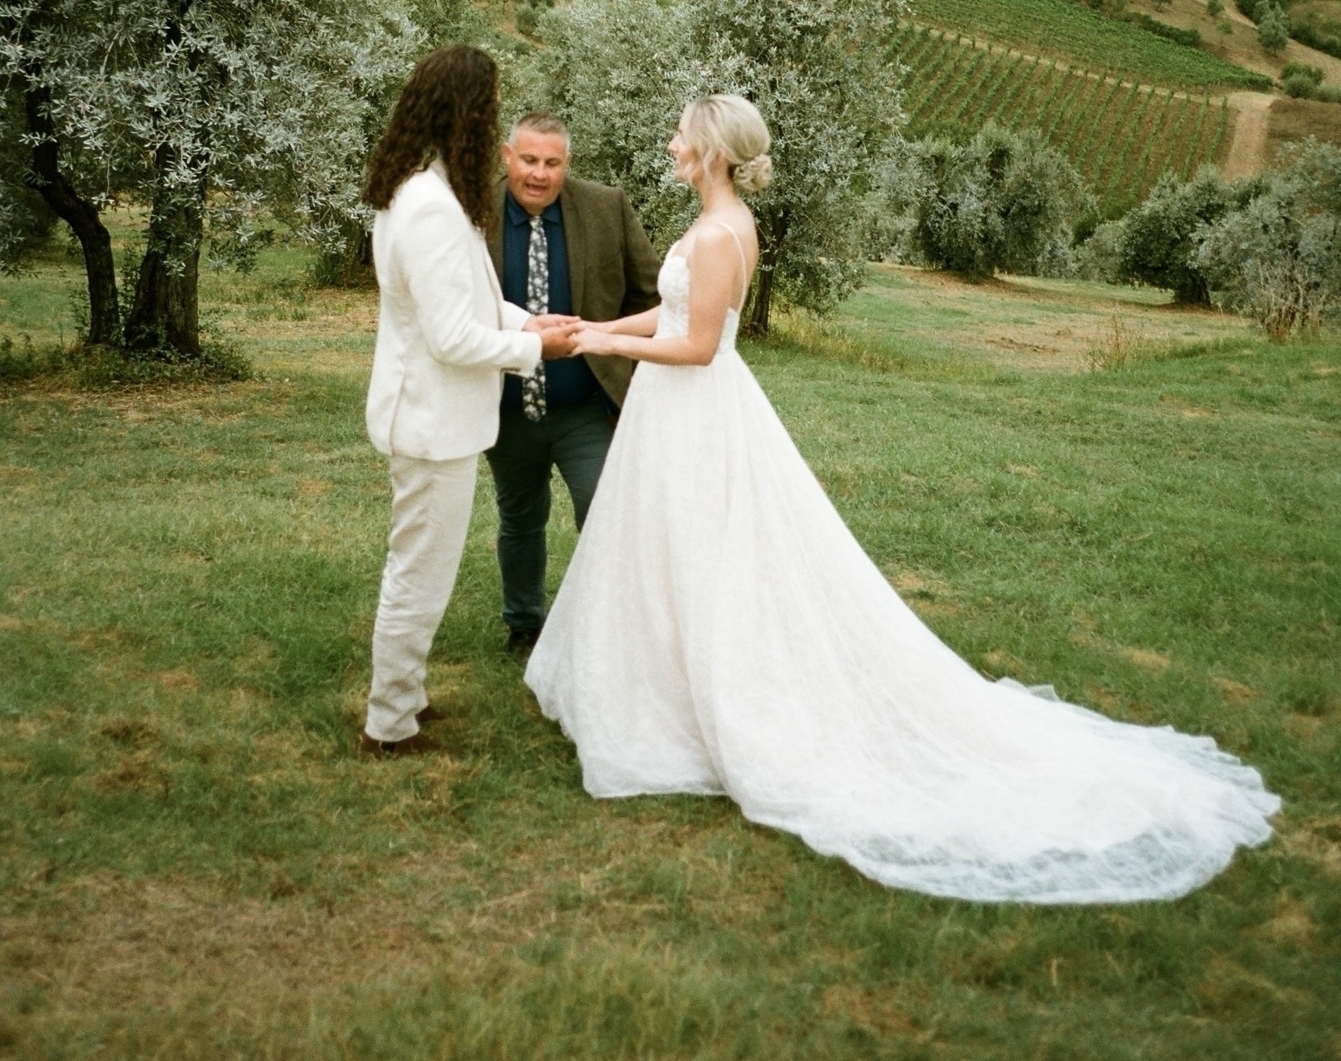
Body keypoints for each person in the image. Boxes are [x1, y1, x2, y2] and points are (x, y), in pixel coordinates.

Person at [526, 94, 1280, 903]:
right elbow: (673, 310)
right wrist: (600, 320)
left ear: (710, 150)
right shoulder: (719, 222)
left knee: (705, 552)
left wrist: (601, 341)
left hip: (695, 410)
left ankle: (705, 700)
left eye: (682, 134)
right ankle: (663, 678)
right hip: (674, 416)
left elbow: (701, 344)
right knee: (674, 551)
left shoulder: (717, 232)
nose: (672, 143)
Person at [359, 46, 578, 758]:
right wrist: (533, 350)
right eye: (491, 105)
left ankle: (408, 696)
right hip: (430, 420)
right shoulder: (428, 205)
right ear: (467, 111)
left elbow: (472, 300)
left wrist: (526, 321)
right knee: (418, 575)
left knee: (421, 567)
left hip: (435, 416)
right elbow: (451, 335)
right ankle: (390, 721)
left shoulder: (432, 189)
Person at [486, 111, 661, 654]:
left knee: (603, 509)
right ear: (506, 156)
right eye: (529, 160)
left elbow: (651, 297)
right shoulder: (472, 212)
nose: (539, 174)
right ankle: (525, 622)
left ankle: (604, 622)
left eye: (552, 163)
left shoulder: (606, 208)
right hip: (504, 408)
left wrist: (621, 363)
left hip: (587, 407)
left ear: (567, 164)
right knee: (520, 517)